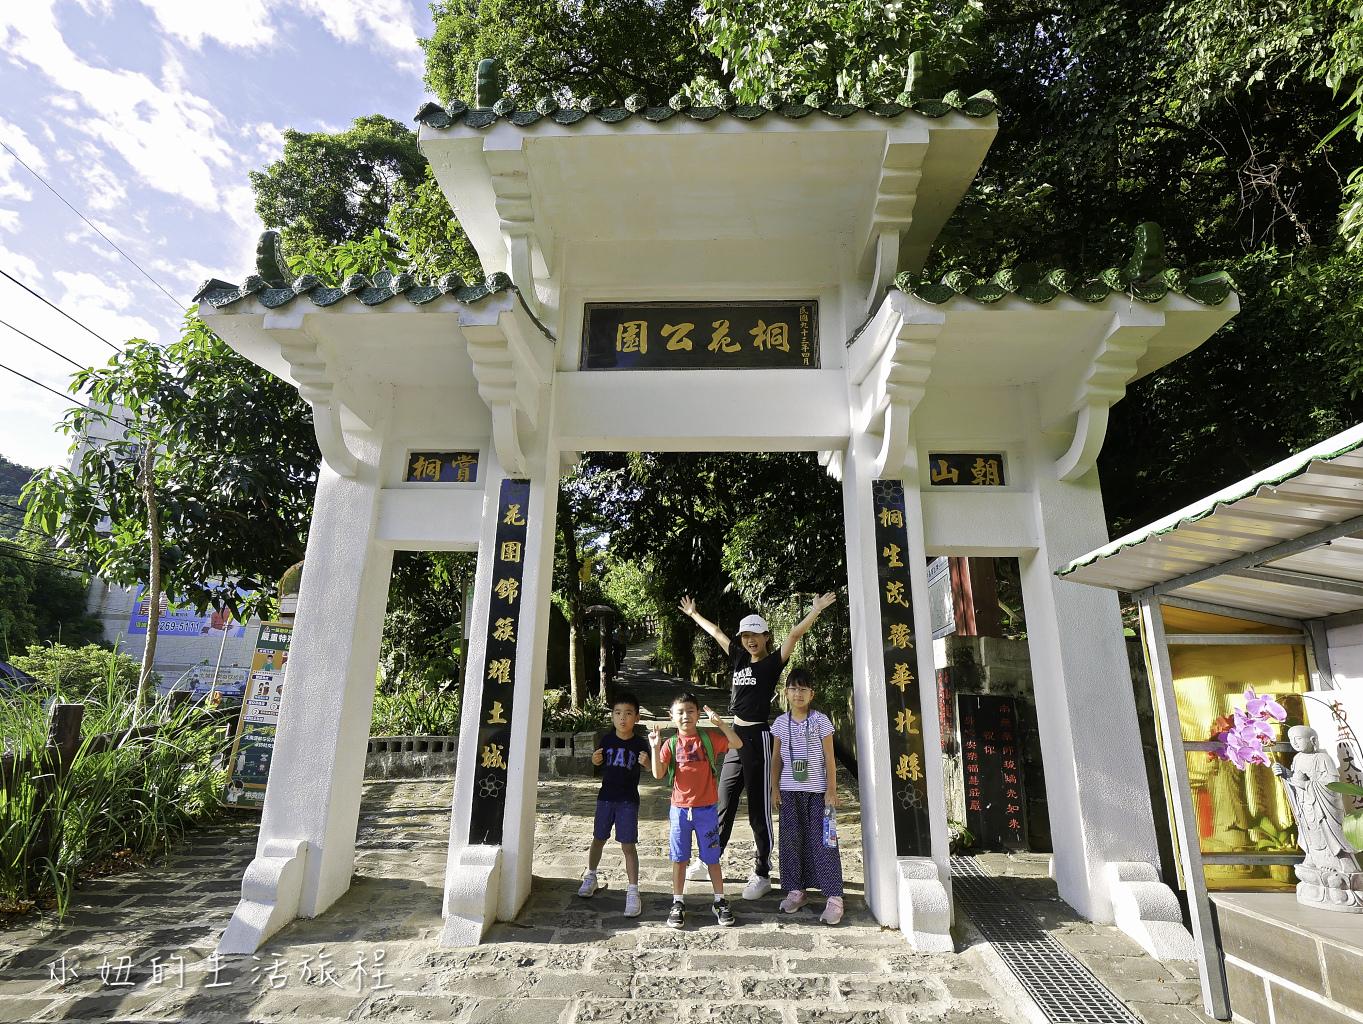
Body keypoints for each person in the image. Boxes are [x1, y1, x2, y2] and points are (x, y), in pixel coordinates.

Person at [678, 592, 837, 899]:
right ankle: (710, 856)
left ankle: (761, 873)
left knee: (758, 810)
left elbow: (793, 634)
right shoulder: (738, 657)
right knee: (722, 800)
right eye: (746, 636)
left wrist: (814, 610)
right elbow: (717, 633)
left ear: (766, 637)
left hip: (759, 739)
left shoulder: (771, 664)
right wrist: (693, 614)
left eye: (756, 635)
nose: (751, 640)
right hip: (733, 736)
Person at [650, 693, 743, 929]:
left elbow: (737, 743)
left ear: (698, 714)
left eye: (690, 711)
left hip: (707, 810)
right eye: (680, 712)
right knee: (680, 859)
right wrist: (655, 747)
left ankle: (720, 901)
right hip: (680, 811)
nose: (686, 716)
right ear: (672, 717)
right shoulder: (670, 744)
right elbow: (658, 773)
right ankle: (678, 902)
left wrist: (721, 723)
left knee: (712, 859)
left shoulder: (708, 738)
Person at [770, 667, 844, 924]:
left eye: (803, 688)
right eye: (793, 688)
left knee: (826, 842)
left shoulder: (821, 721)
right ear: (786, 692)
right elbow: (776, 757)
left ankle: (834, 897)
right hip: (790, 793)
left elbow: (829, 756)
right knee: (792, 842)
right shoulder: (780, 723)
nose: (797, 693)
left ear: (811, 693)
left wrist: (831, 789)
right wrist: (774, 788)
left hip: (819, 795)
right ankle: (796, 890)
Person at [579, 691, 651, 917]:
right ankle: (591, 876)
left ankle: (633, 891)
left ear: (637, 718)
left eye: (628, 714)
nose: (623, 718)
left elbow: (651, 769)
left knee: (628, 846)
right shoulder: (607, 740)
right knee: (598, 838)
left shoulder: (640, 743)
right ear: (612, 717)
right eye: (618, 713)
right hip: (605, 798)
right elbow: (598, 761)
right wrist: (594, 759)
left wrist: (647, 762)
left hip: (628, 801)